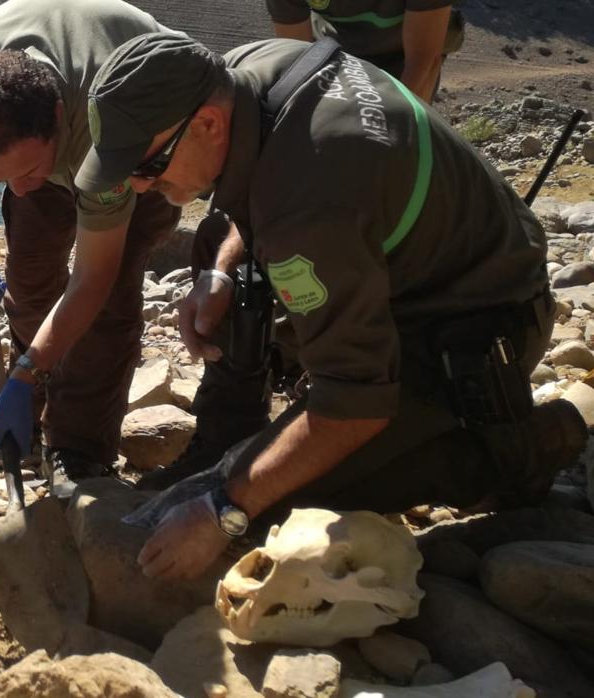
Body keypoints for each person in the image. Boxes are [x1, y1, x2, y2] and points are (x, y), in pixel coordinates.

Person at [76, 32, 587, 582]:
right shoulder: (247, 70)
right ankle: (229, 440)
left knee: (281, 505)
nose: (138, 183)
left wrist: (225, 505)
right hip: (419, 259)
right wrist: (220, 273)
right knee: (221, 254)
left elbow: (356, 401)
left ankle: (527, 446)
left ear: (206, 123)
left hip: (478, 325)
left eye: (149, 164)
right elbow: (259, 188)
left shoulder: (313, 198)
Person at [0, 0, 181, 484]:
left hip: (144, 151)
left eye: (24, 172)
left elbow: (93, 278)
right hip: (56, 140)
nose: (16, 188)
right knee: (28, 281)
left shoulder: (106, 121)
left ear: (58, 119)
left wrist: (22, 371)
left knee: (107, 307)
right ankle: (32, 393)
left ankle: (79, 445)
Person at [266, 0, 465, 103]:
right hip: (334, 54)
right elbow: (298, 58)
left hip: (400, 56)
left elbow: (423, 61)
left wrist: (403, 130)